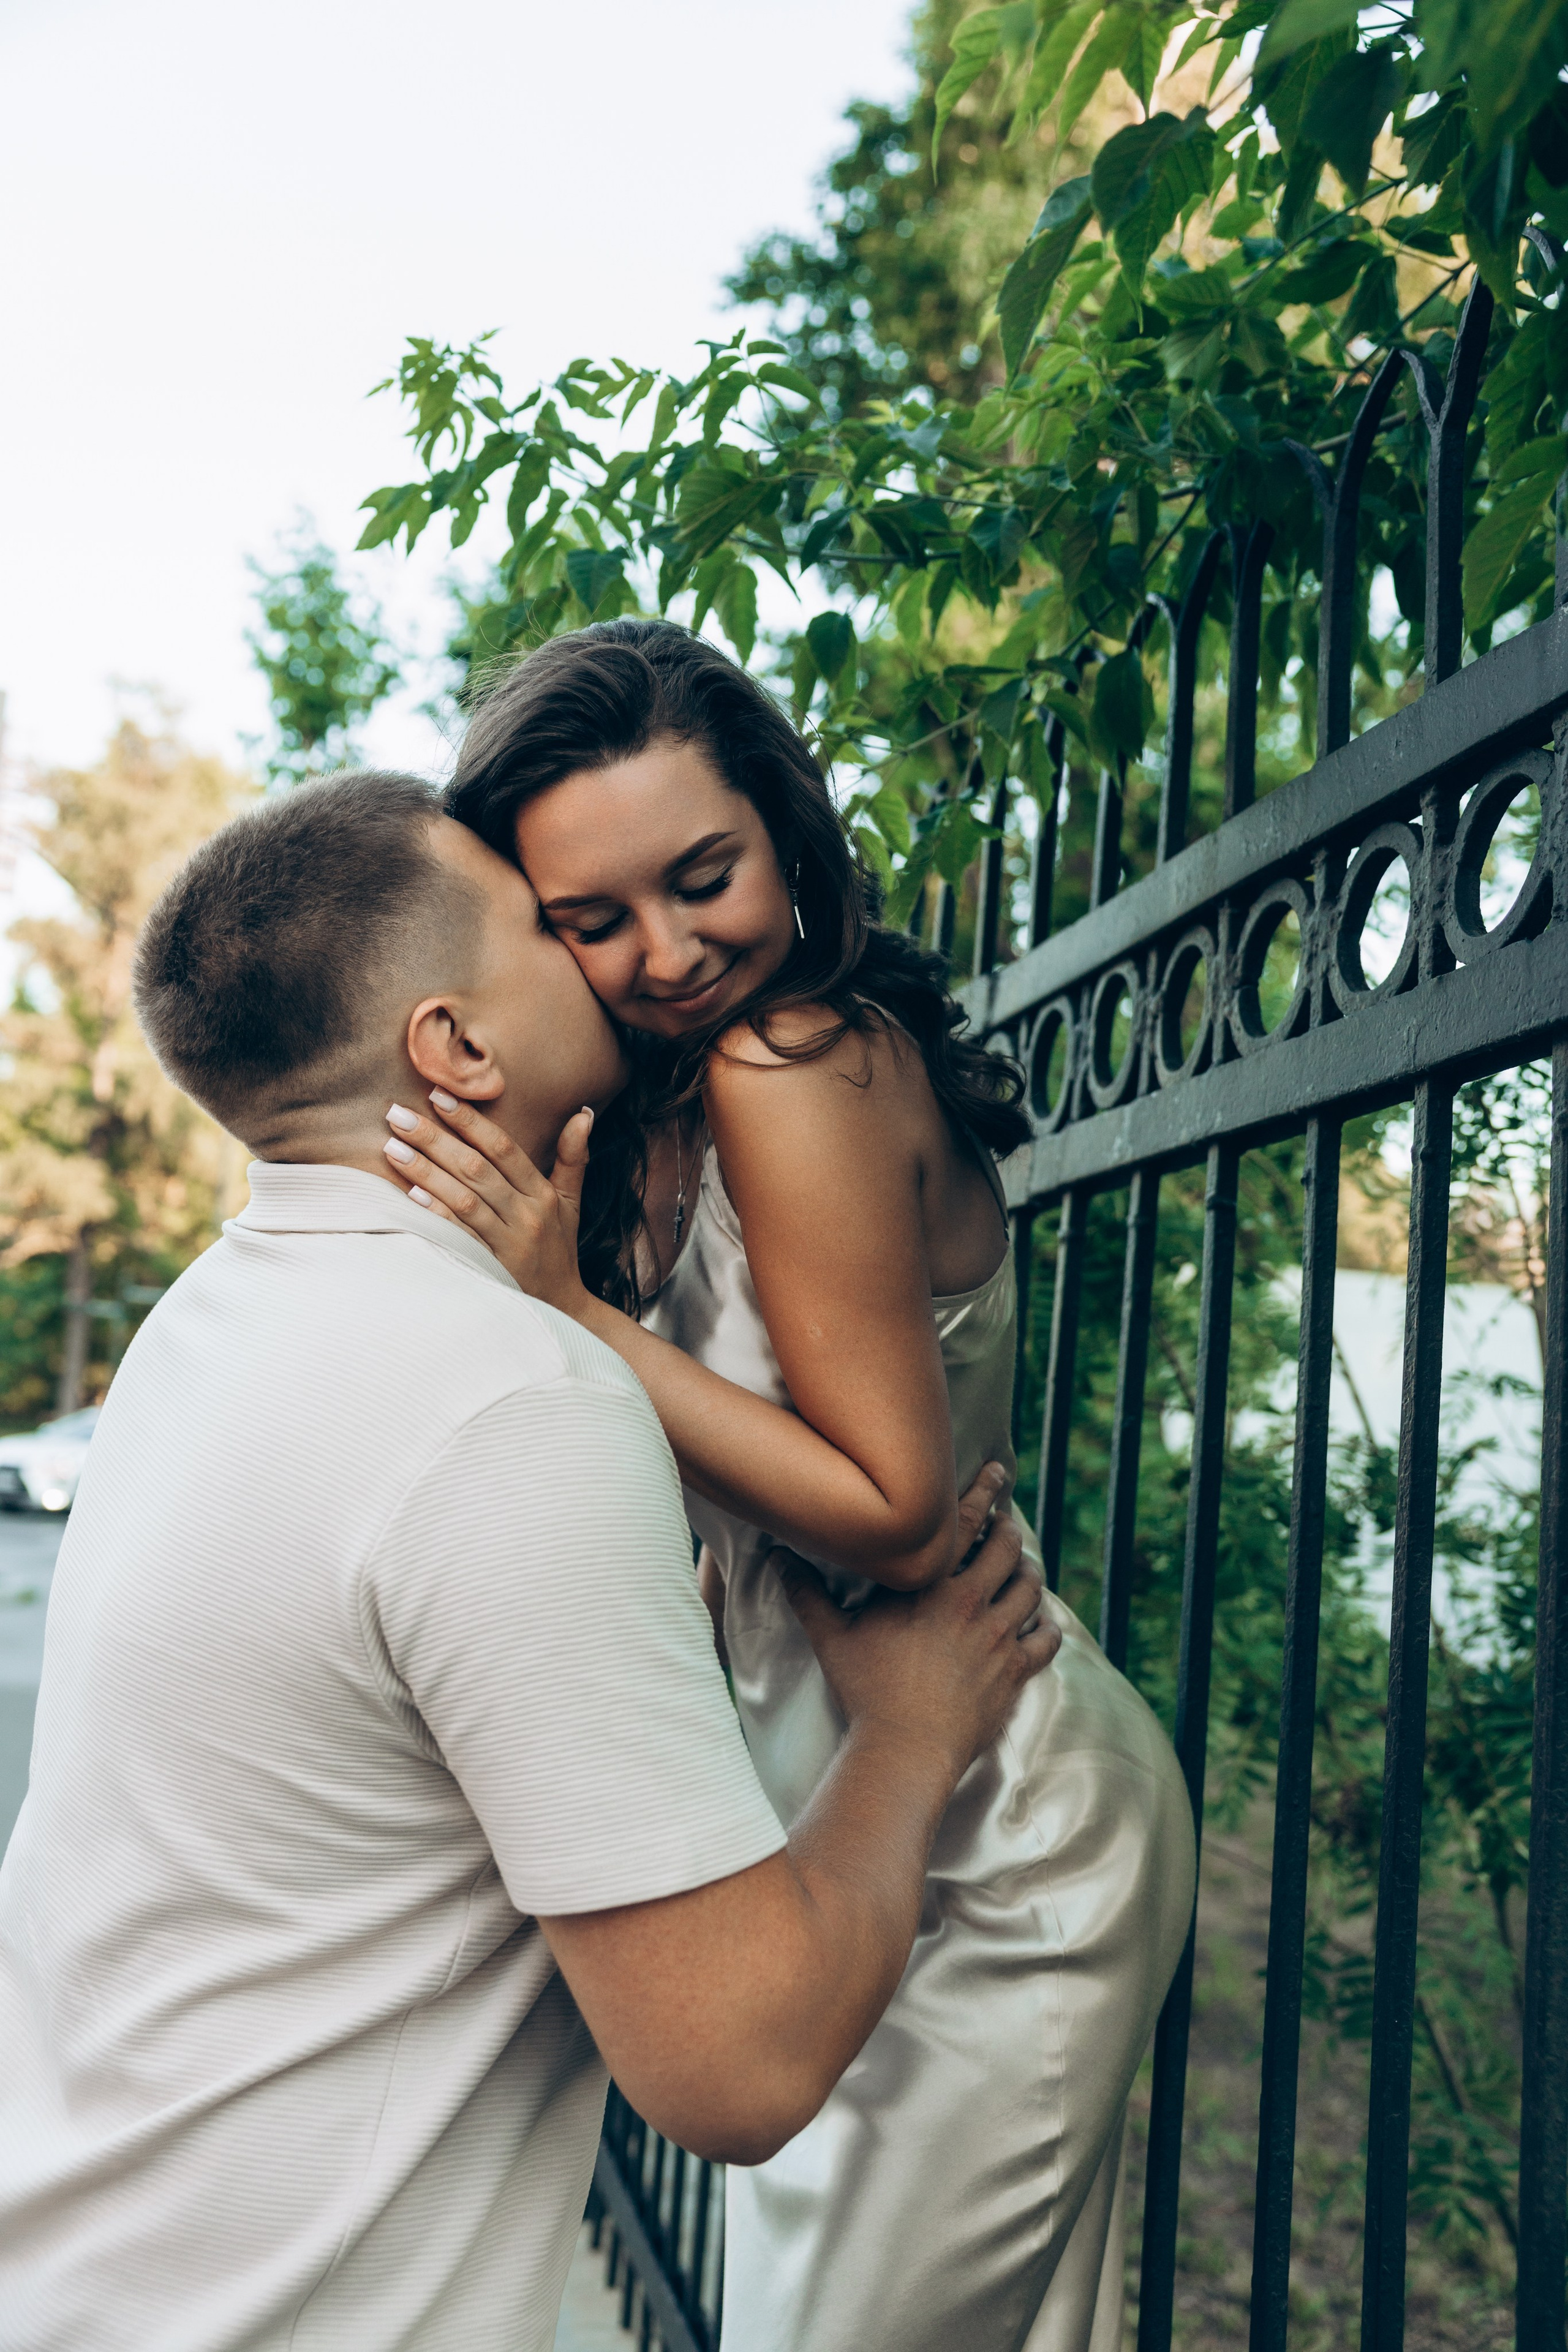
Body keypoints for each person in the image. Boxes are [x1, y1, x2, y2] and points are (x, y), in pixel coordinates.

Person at [0, 769, 1059, 2352]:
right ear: (456, 1045)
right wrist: (913, 1735)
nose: (612, 957)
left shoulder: (204, 1329)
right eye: (540, 922)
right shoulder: (510, 1401)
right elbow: (738, 2064)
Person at [381, 621, 1199, 2352]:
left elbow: (898, 1502)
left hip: (992, 1838)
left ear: (788, 833)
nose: (669, 953)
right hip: (843, 1845)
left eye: (705, 878)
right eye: (592, 921)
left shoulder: (792, 1062)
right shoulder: (669, 1102)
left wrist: (573, 1317)